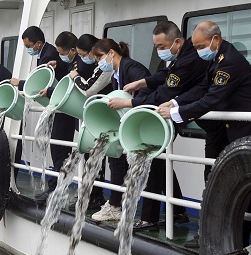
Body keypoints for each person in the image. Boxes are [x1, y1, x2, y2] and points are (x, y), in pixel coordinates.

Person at [157, 21, 251, 247]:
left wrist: (176, 113)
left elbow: (212, 99)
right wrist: (173, 101)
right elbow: (202, 89)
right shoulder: (216, 59)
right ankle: (236, 242)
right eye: (194, 46)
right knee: (240, 189)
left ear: (216, 40)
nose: (198, 50)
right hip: (239, 134)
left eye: (201, 45)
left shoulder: (229, 63)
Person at [107, 21, 208, 231]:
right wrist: (142, 82)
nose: (159, 51)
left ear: (177, 42)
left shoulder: (189, 59)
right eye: (156, 47)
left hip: (198, 117)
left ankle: (149, 220)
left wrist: (128, 103)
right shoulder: (182, 53)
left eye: (162, 47)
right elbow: (165, 76)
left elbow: (164, 93)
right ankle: (178, 212)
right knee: (159, 162)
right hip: (181, 113)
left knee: (153, 160)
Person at [89, 39, 152, 222]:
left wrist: (128, 103)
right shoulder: (118, 73)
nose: (99, 63)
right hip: (134, 124)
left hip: (144, 124)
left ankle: (116, 205)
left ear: (111, 53)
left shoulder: (132, 69)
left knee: (118, 160)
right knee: (158, 168)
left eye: (100, 57)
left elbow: (148, 94)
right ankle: (177, 209)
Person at [9, 26, 71, 206]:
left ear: (38, 43)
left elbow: (42, 82)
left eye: (29, 45)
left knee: (60, 151)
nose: (29, 49)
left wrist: (19, 83)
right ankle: (55, 187)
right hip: (57, 108)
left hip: (62, 109)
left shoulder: (48, 54)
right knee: (57, 149)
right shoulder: (46, 53)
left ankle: (56, 190)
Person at [59, 32, 112, 211]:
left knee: (100, 158)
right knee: (91, 156)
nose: (82, 59)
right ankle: (91, 195)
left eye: (83, 55)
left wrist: (74, 76)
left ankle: (100, 198)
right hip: (95, 118)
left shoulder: (105, 68)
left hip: (103, 118)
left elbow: (88, 89)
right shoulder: (98, 66)